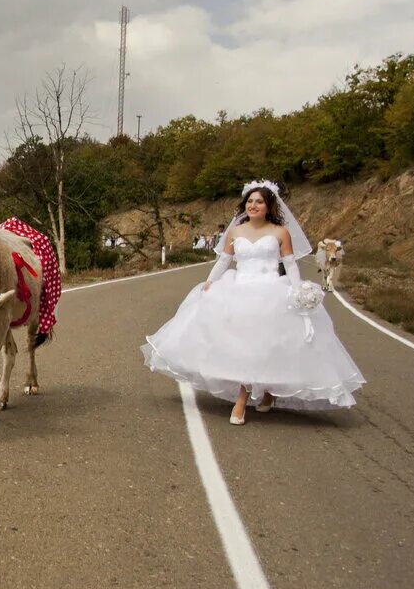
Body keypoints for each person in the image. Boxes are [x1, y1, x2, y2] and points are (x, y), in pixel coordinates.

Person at [140, 181, 364, 425]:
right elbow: (224, 260)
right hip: (239, 288)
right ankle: (255, 395)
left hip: (270, 290)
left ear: (269, 206)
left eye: (259, 201)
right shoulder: (236, 231)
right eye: (249, 201)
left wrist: (297, 288)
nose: (253, 205)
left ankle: (248, 399)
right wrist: (210, 281)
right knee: (244, 346)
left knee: (268, 345)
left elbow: (289, 263)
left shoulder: (280, 232)